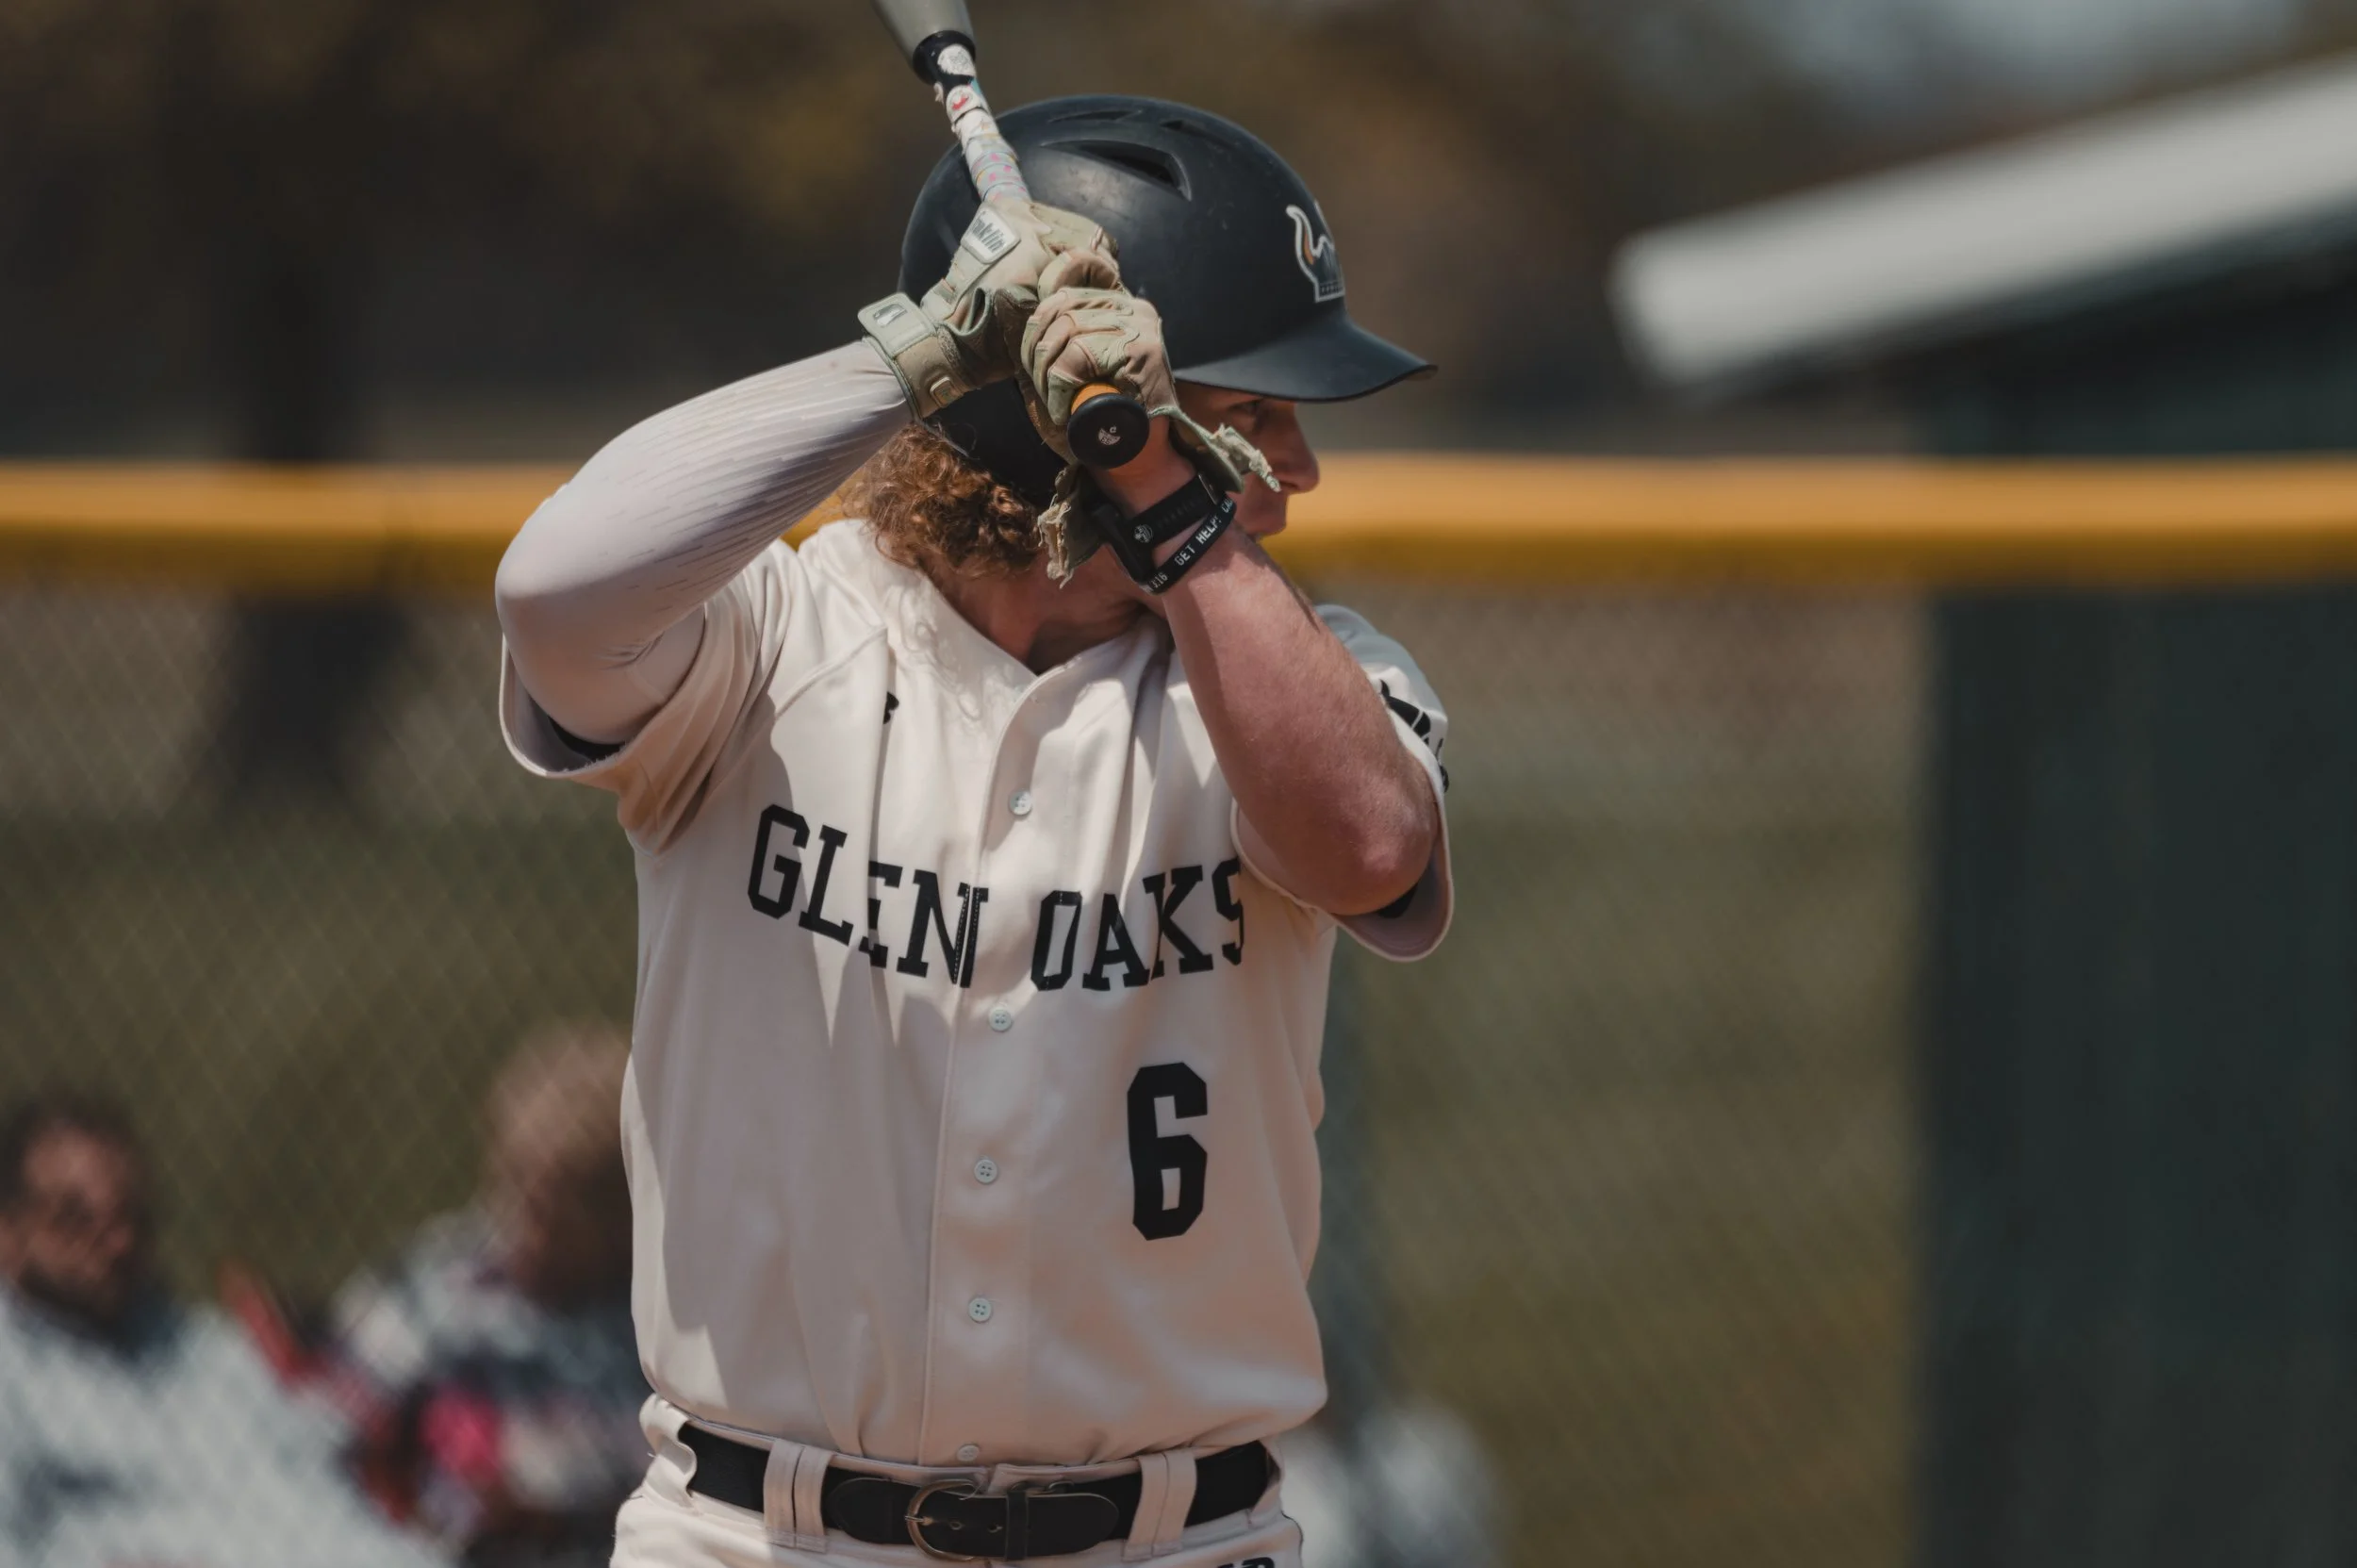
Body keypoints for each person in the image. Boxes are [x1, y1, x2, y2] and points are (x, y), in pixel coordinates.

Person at [493, 94, 1453, 1568]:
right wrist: (923, 353)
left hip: (1176, 1540)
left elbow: (1368, 839)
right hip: (760, 1534)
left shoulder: (1293, 672)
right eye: (1253, 413)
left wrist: (1165, 489)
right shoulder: (778, 640)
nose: (1300, 470)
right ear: (1046, 416)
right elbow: (556, 593)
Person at [0, 1096, 447, 1568]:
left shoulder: (206, 1350)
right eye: (75, 1219)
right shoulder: (16, 1379)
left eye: (132, 1217)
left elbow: (321, 1489)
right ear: (8, 1232)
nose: (118, 1243)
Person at [331, 1027, 649, 1568]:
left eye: (565, 1200)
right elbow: (334, 1427)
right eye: (516, 1180)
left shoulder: (648, 1321)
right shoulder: (428, 1293)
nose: (529, 1219)